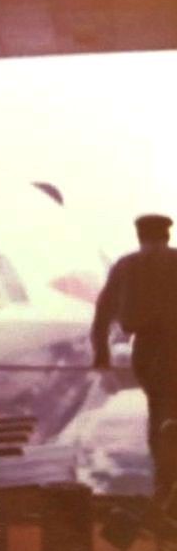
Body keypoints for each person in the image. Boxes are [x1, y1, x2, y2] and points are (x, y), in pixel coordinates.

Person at [91, 214, 177, 500]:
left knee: (158, 411)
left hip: (147, 350)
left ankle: (163, 484)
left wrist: (102, 358)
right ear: (167, 235)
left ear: (140, 237)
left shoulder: (126, 265)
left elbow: (103, 314)